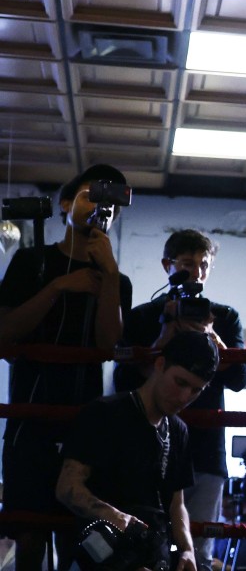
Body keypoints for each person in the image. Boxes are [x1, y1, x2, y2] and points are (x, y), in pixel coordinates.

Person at [0, 164, 133, 571]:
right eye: (91, 196)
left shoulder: (118, 281)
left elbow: (109, 344)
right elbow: (5, 335)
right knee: (29, 538)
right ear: (64, 204)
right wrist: (58, 287)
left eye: (111, 203)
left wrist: (109, 273)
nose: (101, 208)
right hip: (30, 417)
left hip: (85, 423)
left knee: (79, 539)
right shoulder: (31, 261)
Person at [115, 229, 246, 570]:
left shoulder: (224, 317)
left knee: (198, 553)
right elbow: (123, 380)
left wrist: (211, 335)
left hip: (205, 449)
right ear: (168, 265)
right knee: (144, 547)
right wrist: (164, 335)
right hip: (148, 446)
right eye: (188, 263)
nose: (197, 272)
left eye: (204, 264)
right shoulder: (145, 316)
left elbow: (239, 379)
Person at [55, 331, 220, 571]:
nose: (185, 397)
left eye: (196, 390)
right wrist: (117, 517)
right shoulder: (104, 413)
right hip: (103, 551)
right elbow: (67, 487)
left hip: (154, 555)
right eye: (180, 382)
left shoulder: (178, 430)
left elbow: (177, 504)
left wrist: (186, 549)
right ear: (160, 365)